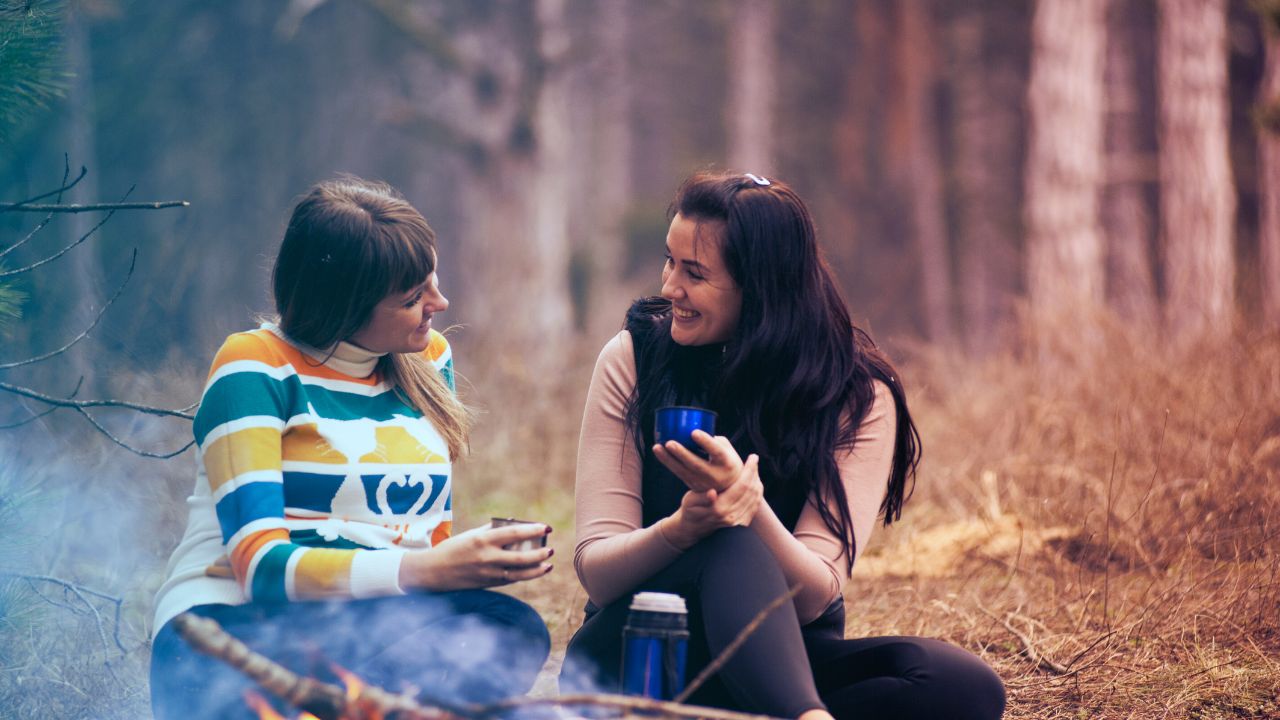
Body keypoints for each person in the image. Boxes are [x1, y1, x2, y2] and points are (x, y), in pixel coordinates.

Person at [563, 172, 1005, 720]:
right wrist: (685, 529)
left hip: (780, 664)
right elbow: (599, 574)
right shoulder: (633, 359)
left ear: (761, 288)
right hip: (639, 658)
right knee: (724, 541)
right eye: (670, 260)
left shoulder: (858, 395)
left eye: (694, 273)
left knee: (963, 685)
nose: (670, 286)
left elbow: (816, 593)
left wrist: (751, 510)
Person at [150, 177, 553, 719]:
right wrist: (428, 570)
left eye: (432, 281)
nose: (440, 303)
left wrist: (457, 566)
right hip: (233, 631)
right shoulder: (255, 366)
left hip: (369, 631)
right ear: (344, 307)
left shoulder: (429, 359)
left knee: (510, 627)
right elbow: (264, 571)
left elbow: (426, 529)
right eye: (413, 298)